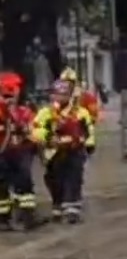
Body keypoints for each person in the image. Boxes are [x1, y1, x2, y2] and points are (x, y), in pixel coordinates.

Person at [31, 80, 95, 223]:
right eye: (57, 94)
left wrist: (89, 145)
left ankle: (72, 210)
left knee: (74, 179)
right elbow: (36, 129)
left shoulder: (80, 113)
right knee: (54, 180)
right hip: (53, 152)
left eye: (64, 94)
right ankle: (58, 206)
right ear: (52, 95)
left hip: (75, 151)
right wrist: (47, 137)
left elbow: (88, 130)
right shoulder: (46, 113)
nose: (60, 98)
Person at [0, 73, 38, 230]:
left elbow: (33, 129)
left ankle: (27, 215)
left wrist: (23, 128)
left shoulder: (25, 111)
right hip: (4, 151)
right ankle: (3, 218)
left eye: (12, 92)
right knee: (1, 184)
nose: (9, 97)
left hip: (22, 150)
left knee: (24, 181)